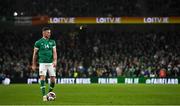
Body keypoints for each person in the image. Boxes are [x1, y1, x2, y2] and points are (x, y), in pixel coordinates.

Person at [32, 27, 57, 101]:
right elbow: (35, 54)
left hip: (50, 63)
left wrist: (55, 60)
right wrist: (33, 64)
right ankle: (44, 96)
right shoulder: (38, 42)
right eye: (48, 32)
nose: (49, 34)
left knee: (53, 80)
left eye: (50, 32)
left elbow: (55, 52)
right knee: (42, 77)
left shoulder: (52, 42)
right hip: (42, 63)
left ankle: (48, 94)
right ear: (44, 33)